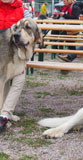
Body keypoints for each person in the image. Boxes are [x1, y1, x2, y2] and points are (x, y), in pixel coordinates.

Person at [0, 0, 30, 132]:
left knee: (19, 78)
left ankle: (5, 114)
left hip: (16, 54)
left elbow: (29, 33)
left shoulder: (23, 10)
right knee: (3, 81)